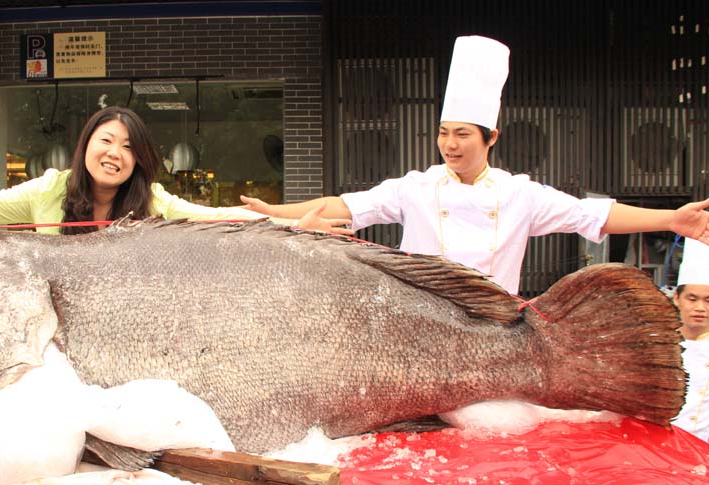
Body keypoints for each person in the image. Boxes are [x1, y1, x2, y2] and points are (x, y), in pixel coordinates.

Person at [239, 36, 709, 295]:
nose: (450, 144)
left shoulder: (519, 194)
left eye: (462, 134)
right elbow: (342, 205)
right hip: (419, 317)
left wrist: (671, 219)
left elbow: (596, 216)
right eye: (444, 133)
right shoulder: (417, 188)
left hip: (492, 324)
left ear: (491, 138)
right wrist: (273, 210)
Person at [0, 106, 278, 235]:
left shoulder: (152, 200)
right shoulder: (49, 190)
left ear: (140, 159)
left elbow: (215, 217)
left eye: (128, 147)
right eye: (105, 141)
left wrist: (280, 223)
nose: (115, 153)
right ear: (85, 145)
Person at [672, 238, 709, 442]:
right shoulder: (655, 346)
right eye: (692, 299)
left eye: (708, 300)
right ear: (677, 298)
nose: (700, 308)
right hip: (661, 451)